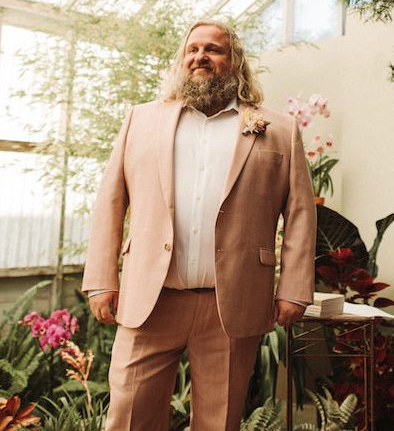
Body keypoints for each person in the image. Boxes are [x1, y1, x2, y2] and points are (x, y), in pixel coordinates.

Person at [82, 21, 316, 430]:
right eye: (193, 49)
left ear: (235, 62)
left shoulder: (278, 130)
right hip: (151, 301)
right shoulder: (140, 120)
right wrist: (102, 279)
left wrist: (294, 288)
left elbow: (299, 214)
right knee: (128, 414)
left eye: (214, 49)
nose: (201, 56)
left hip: (232, 302)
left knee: (219, 421)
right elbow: (111, 202)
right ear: (181, 59)